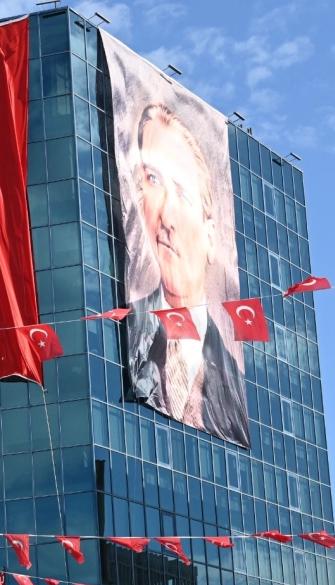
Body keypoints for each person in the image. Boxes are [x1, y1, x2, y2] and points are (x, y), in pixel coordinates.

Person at [123, 102, 249, 446]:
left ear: (211, 237)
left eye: (182, 194)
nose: (166, 216)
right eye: (152, 180)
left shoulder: (232, 383)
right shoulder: (124, 332)